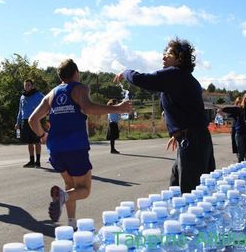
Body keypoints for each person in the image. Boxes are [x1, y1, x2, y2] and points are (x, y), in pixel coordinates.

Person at [28, 59, 131, 228]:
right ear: (76, 73)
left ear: (60, 76)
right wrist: (117, 108)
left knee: (69, 186)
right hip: (75, 147)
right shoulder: (79, 88)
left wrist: (42, 135)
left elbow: (32, 119)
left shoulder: (52, 94)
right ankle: (62, 198)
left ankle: (72, 224)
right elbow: (88, 108)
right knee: (84, 189)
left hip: (55, 149)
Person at [114, 37, 216, 194]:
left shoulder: (175, 75)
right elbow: (186, 110)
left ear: (179, 58)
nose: (163, 57)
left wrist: (125, 72)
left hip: (193, 141)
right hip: (194, 138)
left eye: (168, 54)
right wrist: (178, 131)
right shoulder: (184, 78)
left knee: (188, 193)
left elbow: (142, 79)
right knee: (176, 187)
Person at [15, 79, 45, 168]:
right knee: (29, 142)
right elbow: (20, 111)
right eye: (25, 85)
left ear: (32, 86)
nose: (27, 87)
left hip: (35, 120)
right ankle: (31, 161)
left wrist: (44, 116)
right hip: (25, 121)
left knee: (37, 141)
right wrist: (18, 123)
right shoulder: (22, 97)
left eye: (28, 85)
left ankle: (38, 161)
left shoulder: (38, 95)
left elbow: (47, 103)